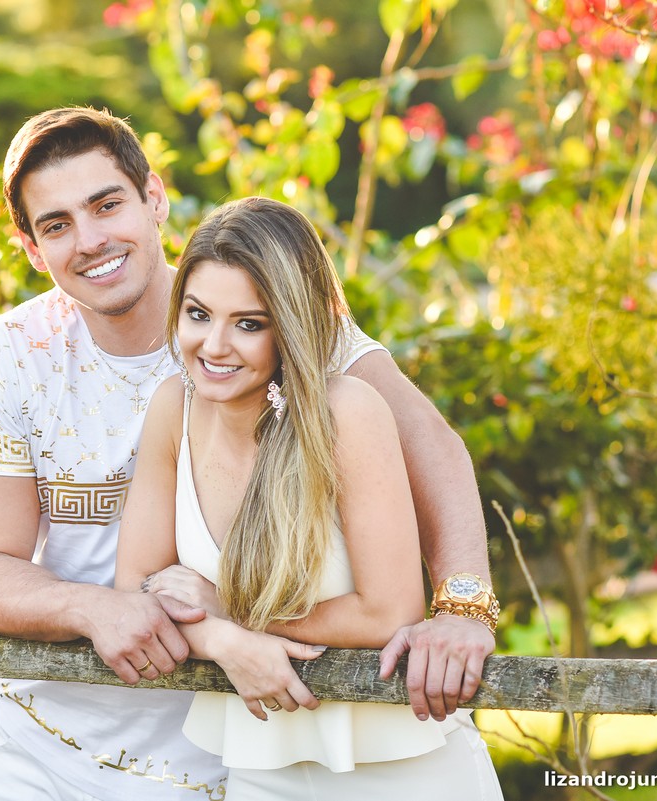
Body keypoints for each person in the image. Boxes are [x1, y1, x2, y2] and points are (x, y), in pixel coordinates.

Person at [0, 107, 498, 800]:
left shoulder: (263, 301)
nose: (89, 240)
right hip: (46, 739)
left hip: (227, 736)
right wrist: (98, 609)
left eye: (107, 204)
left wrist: (463, 607)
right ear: (32, 248)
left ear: (154, 198)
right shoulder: (11, 356)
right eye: (56, 225)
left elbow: (434, 450)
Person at [114, 197, 503, 799]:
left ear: (290, 325)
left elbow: (387, 612)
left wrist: (226, 609)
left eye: (249, 323)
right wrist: (220, 641)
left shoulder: (345, 410)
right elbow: (133, 586)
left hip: (402, 766)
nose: (214, 346)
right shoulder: (173, 407)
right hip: (260, 765)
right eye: (197, 313)